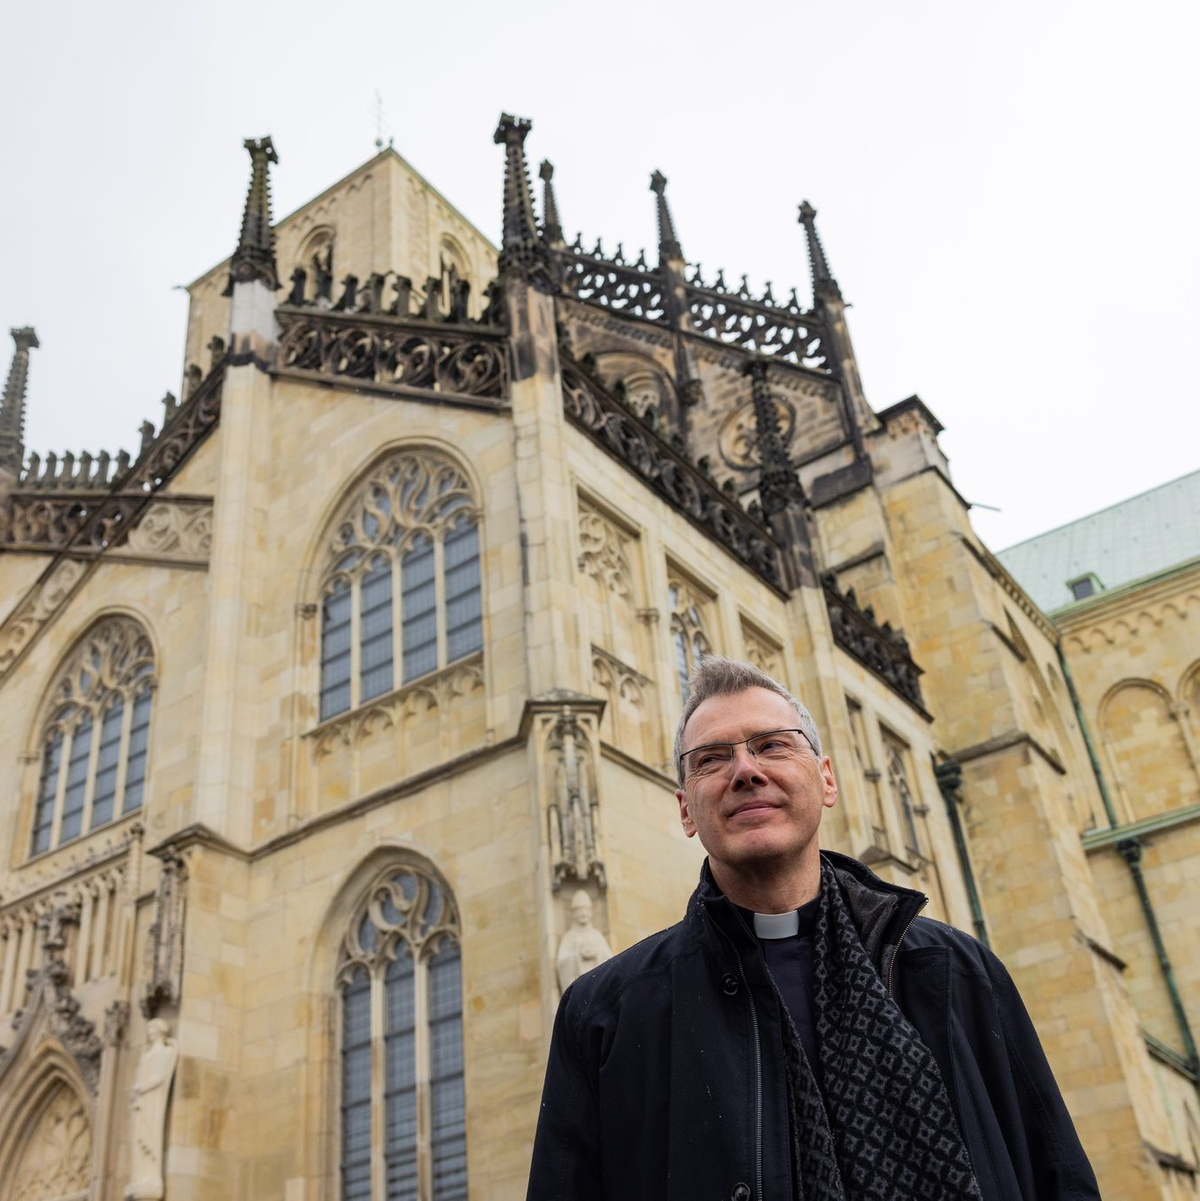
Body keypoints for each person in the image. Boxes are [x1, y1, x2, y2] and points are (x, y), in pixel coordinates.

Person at [526, 656, 1100, 1200]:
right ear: (685, 810)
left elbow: (1058, 1176)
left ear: (826, 780)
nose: (746, 771)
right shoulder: (606, 1011)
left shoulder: (956, 971)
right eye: (712, 759)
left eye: (772, 746)